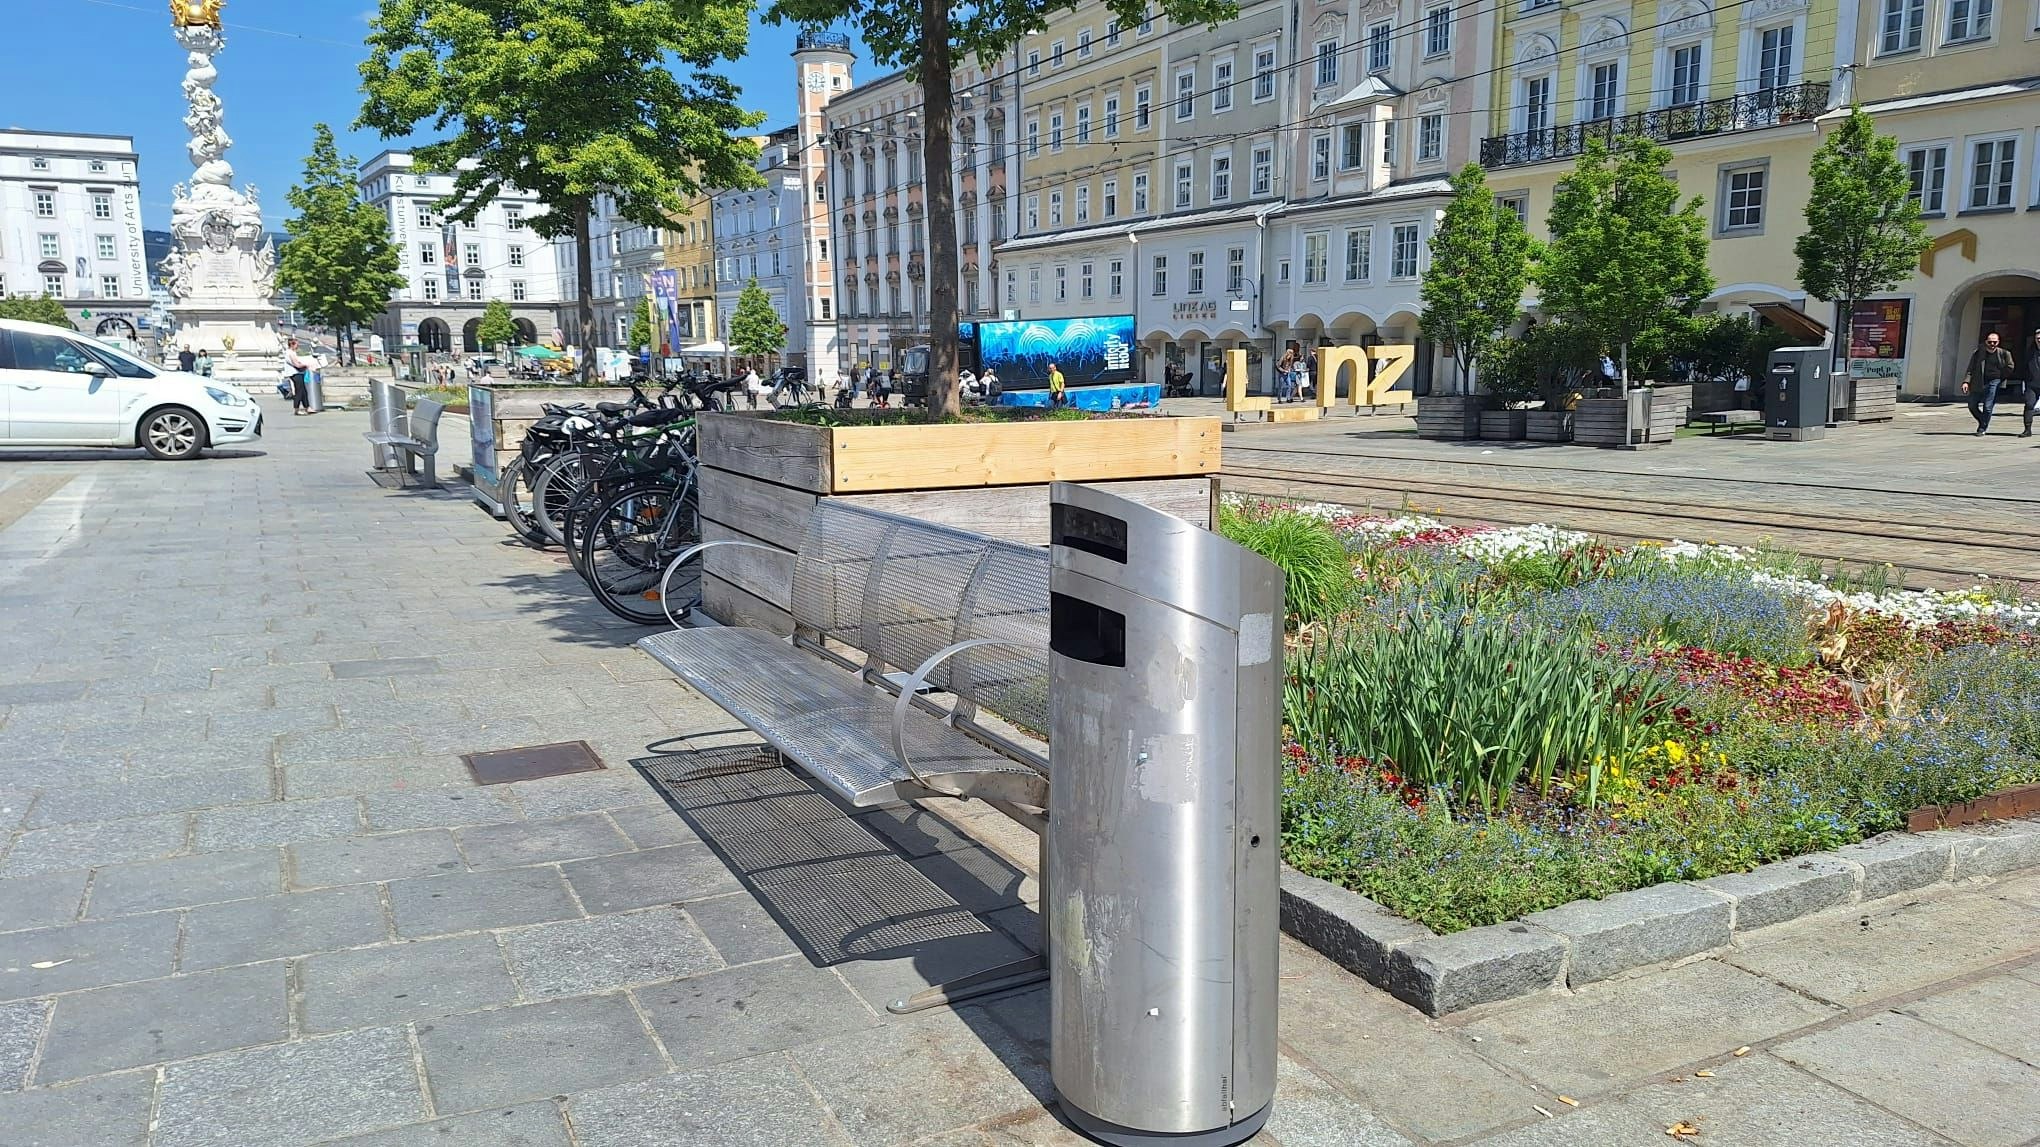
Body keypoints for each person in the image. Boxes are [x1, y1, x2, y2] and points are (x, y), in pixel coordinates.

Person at [1963, 331, 2017, 436]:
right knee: (1972, 405)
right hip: (1979, 381)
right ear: (1986, 342)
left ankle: (1982, 428)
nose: (1992, 344)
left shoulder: (2004, 353)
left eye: (1994, 342)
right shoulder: (1978, 353)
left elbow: (2010, 366)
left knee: (1988, 406)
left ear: (1998, 342)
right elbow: (1971, 368)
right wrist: (1966, 382)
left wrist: (2002, 376)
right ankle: (1983, 420)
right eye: (1990, 342)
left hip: (1994, 381)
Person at [282, 338, 313, 415]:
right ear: (292, 344)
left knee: (303, 391)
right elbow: (296, 364)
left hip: (297, 373)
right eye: (296, 344)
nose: (298, 346)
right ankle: (297, 409)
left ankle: (307, 407)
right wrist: (306, 364)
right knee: (299, 391)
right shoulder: (290, 353)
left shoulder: (291, 352)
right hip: (295, 373)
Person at [2023, 329, 2040, 438]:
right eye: (2038, 338)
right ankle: (2027, 429)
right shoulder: (2030, 352)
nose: (2039, 340)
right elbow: (2024, 366)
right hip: (2032, 384)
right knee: (2029, 404)